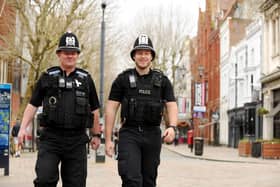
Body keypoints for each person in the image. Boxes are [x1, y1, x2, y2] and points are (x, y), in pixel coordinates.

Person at [17, 32, 101, 187]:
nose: (70, 56)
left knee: (75, 183)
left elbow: (95, 109)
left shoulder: (86, 79)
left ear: (77, 55)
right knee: (44, 180)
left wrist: (96, 135)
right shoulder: (47, 77)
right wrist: (23, 128)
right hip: (51, 138)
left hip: (77, 140)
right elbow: (32, 105)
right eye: (66, 52)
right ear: (59, 54)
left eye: (73, 53)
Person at [105, 33, 178, 187]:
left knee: (149, 181)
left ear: (151, 56)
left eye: (146, 53)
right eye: (139, 53)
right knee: (131, 179)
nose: (143, 56)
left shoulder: (162, 81)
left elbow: (171, 104)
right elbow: (111, 108)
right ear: (134, 56)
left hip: (152, 135)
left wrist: (172, 127)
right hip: (129, 134)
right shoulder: (122, 79)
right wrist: (108, 139)